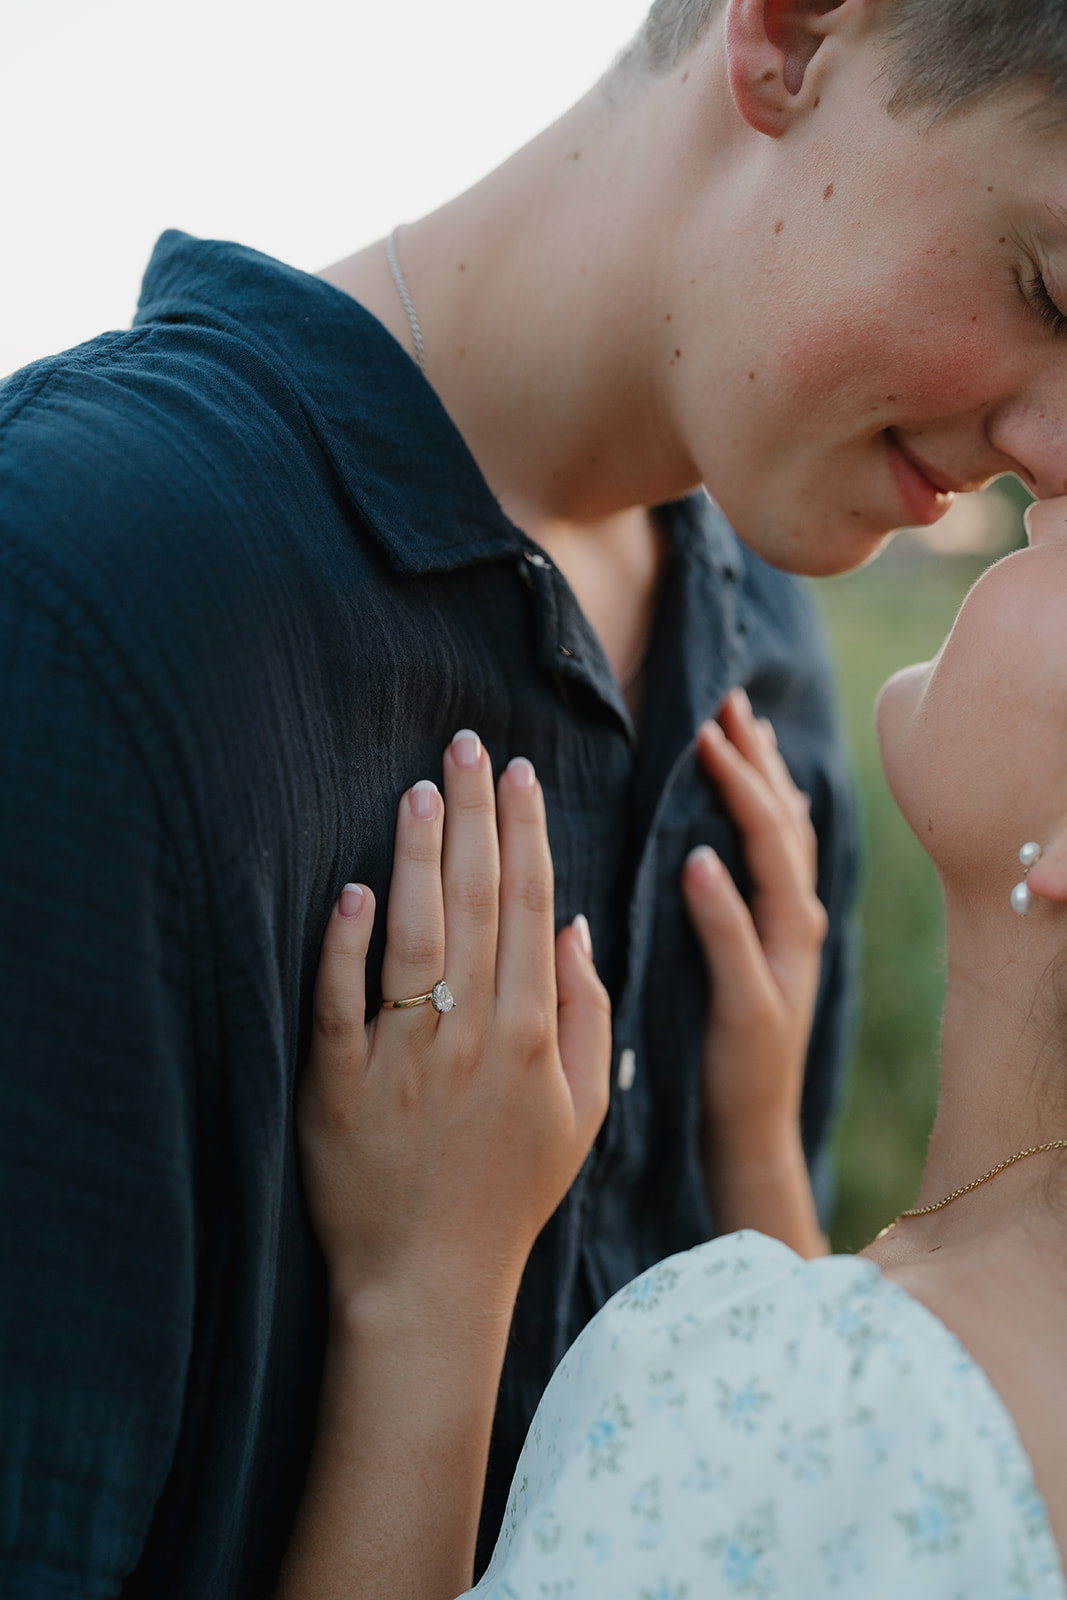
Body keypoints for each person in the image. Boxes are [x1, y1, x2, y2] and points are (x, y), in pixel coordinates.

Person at [0, 0, 1064, 1590]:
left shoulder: (767, 676)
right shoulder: (80, 597)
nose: (1056, 457)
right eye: (1046, 287)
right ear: (789, 37)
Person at [279, 495, 1067, 1599]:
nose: (1047, 484)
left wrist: (427, 1291)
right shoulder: (887, 1395)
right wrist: (752, 1146)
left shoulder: (753, 1418)